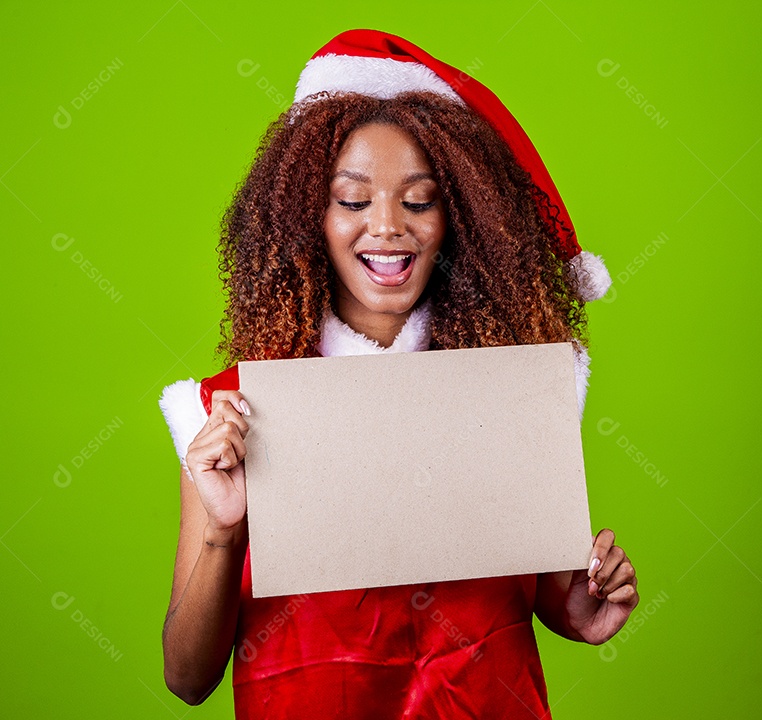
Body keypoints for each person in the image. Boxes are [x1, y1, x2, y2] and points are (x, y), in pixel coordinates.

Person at [158, 29, 637, 718]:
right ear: (307, 217)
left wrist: (586, 604)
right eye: (352, 201)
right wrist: (226, 530)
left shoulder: (510, 392)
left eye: (419, 201)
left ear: (458, 218)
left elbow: (551, 597)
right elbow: (186, 676)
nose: (388, 227)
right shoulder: (231, 411)